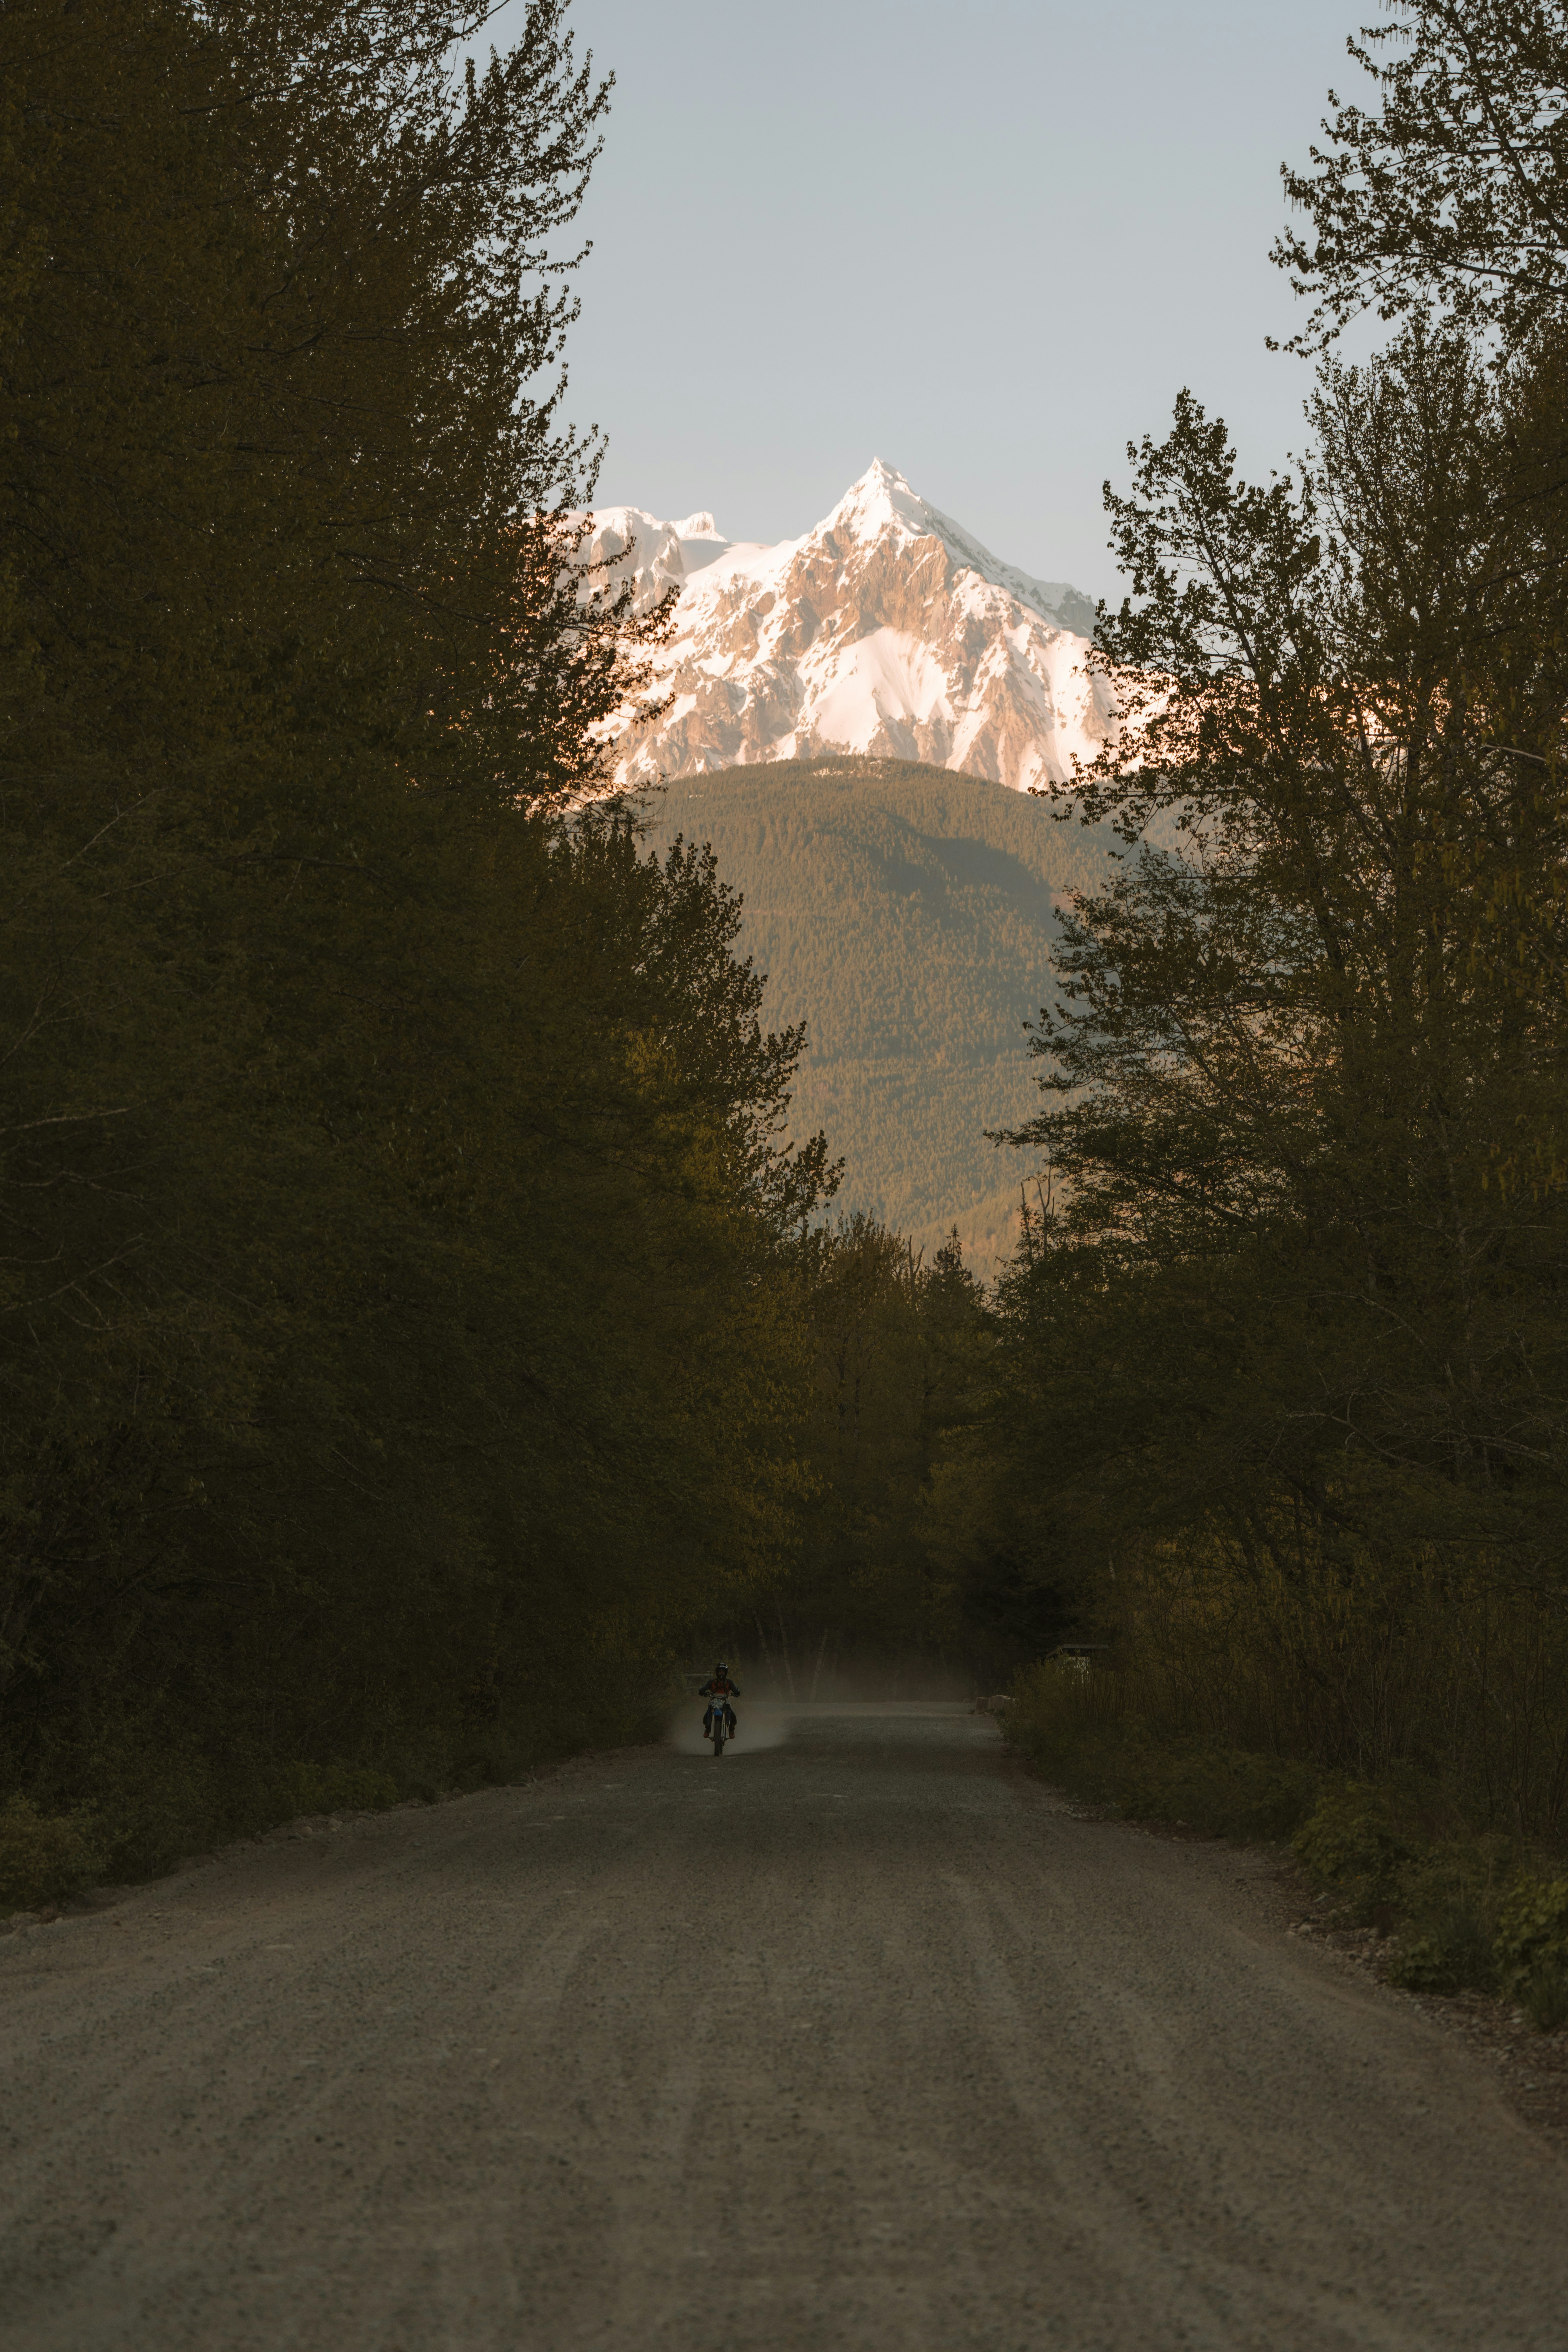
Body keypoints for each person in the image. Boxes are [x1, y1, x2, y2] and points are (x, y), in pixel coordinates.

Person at [699, 1662, 740, 1743]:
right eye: (720, 1672)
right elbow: (703, 1689)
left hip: (726, 1702)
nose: (721, 1673)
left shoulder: (729, 1683)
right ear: (717, 1672)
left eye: (723, 1672)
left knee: (733, 1716)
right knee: (707, 1715)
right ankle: (708, 1729)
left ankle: (731, 1730)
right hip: (714, 1701)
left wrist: (737, 1693)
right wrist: (702, 1692)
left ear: (726, 1673)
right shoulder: (712, 1682)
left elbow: (736, 1689)